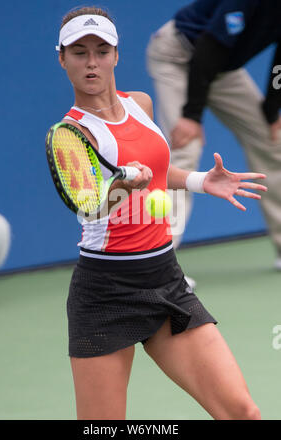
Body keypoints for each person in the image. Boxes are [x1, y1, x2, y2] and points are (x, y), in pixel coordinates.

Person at [54, 6, 267, 420]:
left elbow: (157, 170)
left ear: (117, 54)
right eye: (79, 52)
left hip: (165, 279)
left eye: (102, 50)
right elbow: (89, 206)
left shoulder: (141, 104)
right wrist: (118, 187)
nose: (92, 62)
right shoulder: (72, 133)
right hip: (105, 292)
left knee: (243, 412)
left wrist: (202, 180)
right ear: (62, 58)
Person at [146, 0, 281, 273]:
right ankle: (159, 268)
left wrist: (270, 113)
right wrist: (191, 116)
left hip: (220, 67)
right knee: (185, 150)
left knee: (273, 143)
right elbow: (209, 45)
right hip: (178, 55)